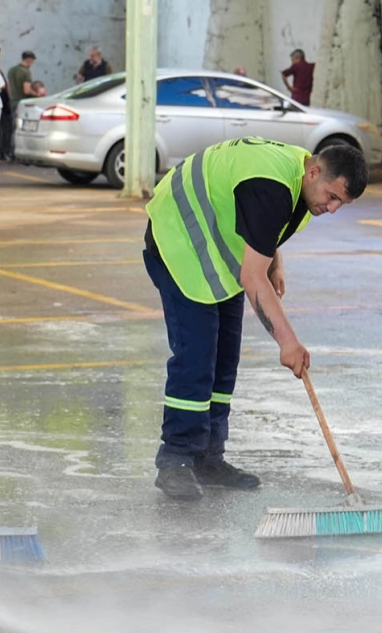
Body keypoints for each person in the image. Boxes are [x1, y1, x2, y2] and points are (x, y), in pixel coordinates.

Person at [143, 138, 368, 501]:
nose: (332, 208)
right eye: (332, 196)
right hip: (180, 237)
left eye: (341, 203)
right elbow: (252, 275)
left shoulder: (299, 176)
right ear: (315, 172)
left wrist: (274, 261)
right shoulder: (272, 186)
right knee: (196, 355)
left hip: (216, 245)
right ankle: (176, 459)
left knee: (224, 356)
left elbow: (261, 223)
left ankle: (208, 458)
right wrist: (288, 343)